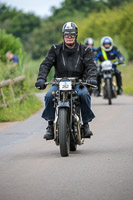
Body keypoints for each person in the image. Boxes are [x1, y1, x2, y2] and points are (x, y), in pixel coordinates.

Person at [35, 22, 97, 140]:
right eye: (67, 35)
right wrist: (41, 79)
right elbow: (46, 64)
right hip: (59, 82)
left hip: (78, 82)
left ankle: (86, 125)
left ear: (76, 35)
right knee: (49, 95)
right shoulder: (55, 49)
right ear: (63, 35)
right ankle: (50, 126)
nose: (69, 37)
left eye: (72, 35)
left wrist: (92, 77)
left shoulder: (84, 50)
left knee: (83, 94)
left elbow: (91, 65)